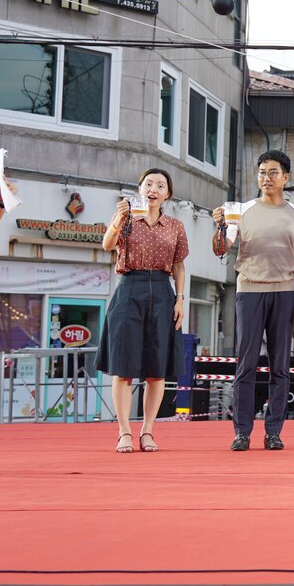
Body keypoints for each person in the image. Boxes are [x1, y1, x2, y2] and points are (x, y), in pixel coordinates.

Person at [212, 151, 294, 452]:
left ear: (286, 178)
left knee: (280, 365)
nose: (266, 178)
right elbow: (221, 249)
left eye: (272, 172)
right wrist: (219, 226)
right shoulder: (240, 211)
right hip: (249, 290)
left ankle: (273, 431)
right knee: (245, 364)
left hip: (284, 292)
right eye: (261, 172)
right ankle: (242, 432)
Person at [97, 169, 187, 453]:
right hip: (129, 288)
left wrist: (180, 299)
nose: (154, 189)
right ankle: (124, 431)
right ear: (139, 189)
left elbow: (179, 265)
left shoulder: (175, 225)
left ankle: (147, 431)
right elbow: (107, 245)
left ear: (167, 194)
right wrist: (118, 220)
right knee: (123, 368)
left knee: (156, 370)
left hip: (162, 290)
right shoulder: (125, 220)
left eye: (161, 185)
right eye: (148, 184)